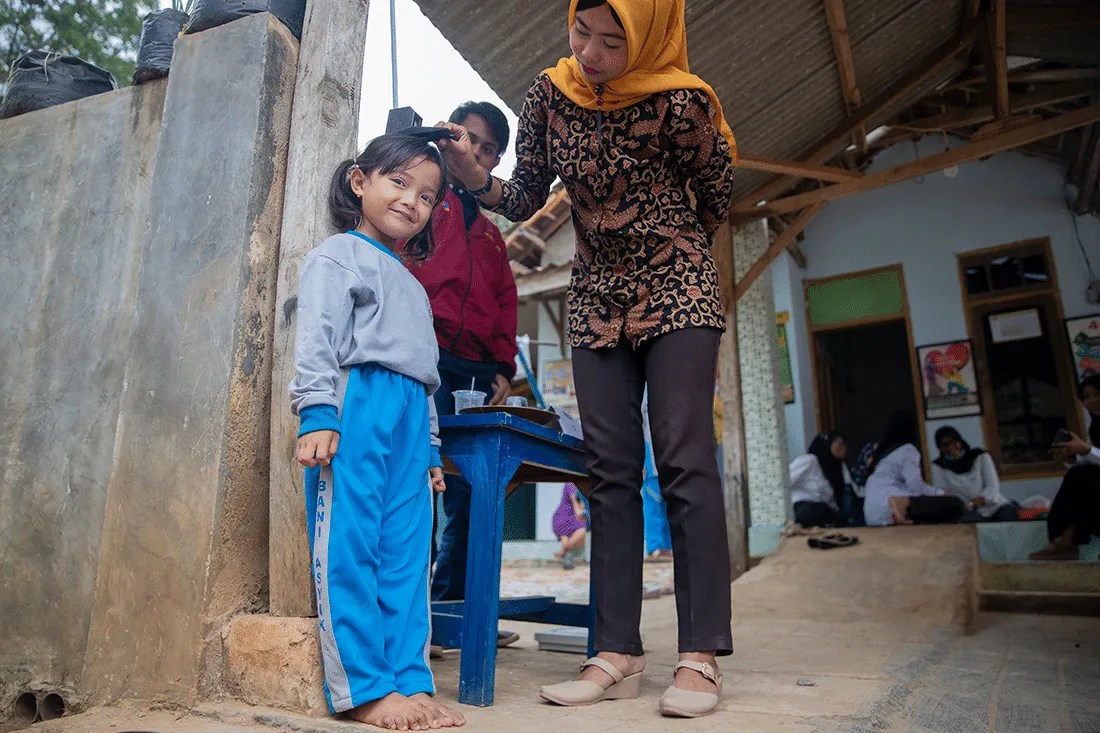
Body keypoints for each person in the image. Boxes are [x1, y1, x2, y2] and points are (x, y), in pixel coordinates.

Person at [438, 0, 738, 718]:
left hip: (678, 282)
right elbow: (527, 192)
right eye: (583, 33)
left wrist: (665, 238)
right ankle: (618, 650)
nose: (594, 53)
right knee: (608, 466)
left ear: (649, 36)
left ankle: (698, 654)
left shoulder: (681, 99)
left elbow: (718, 191)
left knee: (684, 454)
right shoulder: (551, 93)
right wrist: (471, 175)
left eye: (613, 40)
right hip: (597, 292)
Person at [290, 134, 464, 730]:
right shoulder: (338, 256)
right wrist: (317, 412)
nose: (412, 201)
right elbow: (316, 338)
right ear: (360, 181)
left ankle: (409, 679)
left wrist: (434, 448)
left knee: (408, 555)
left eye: (426, 196)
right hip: (359, 405)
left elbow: (426, 375)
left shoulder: (415, 287)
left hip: (412, 418)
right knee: (353, 544)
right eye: (399, 182)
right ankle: (365, 687)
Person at [403, 101, 521, 650]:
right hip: (424, 358)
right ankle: (408, 619)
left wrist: (503, 366)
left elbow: (504, 300)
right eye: (465, 139)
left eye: (487, 148)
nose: (473, 152)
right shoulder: (424, 203)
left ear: (496, 160)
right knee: (418, 482)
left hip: (476, 372)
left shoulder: (494, 235)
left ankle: (454, 613)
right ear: (447, 139)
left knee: (472, 489)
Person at [1030, 375, 1100, 560]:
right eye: (1086, 397)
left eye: (1097, 394)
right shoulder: (1097, 427)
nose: (1092, 400)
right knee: (1076, 475)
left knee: (1082, 479)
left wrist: (1087, 450)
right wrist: (1074, 456)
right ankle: (1063, 540)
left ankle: (1065, 541)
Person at [863, 411, 964, 527]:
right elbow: (916, 487)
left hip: (871, 516)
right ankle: (901, 503)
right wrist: (942, 493)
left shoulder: (882, 456)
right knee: (956, 505)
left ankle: (901, 508)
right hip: (890, 508)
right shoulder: (908, 450)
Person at [931, 426, 1018, 522]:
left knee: (1009, 515)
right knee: (968, 525)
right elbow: (945, 494)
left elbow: (992, 486)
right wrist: (965, 506)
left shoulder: (981, 456)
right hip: (966, 510)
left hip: (993, 505)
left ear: (960, 441)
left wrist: (977, 501)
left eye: (952, 442)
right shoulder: (939, 466)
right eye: (944, 445)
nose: (950, 447)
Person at [789, 432, 851, 528]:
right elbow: (783, 482)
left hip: (825, 513)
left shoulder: (838, 467)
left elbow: (846, 490)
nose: (842, 447)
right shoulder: (810, 461)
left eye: (843, 444)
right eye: (838, 443)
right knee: (815, 511)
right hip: (802, 508)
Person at [552, 482, 588, 570]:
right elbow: (577, 506)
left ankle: (564, 551)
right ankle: (565, 551)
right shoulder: (571, 485)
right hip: (564, 518)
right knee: (586, 529)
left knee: (584, 529)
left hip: (565, 519)